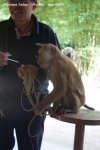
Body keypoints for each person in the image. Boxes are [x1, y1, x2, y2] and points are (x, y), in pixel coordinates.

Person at [0, 0, 60, 149]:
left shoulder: (47, 33)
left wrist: (39, 72)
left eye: (21, 2)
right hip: (2, 104)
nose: (15, 6)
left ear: (34, 4)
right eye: (11, 1)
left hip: (35, 106)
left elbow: (59, 71)